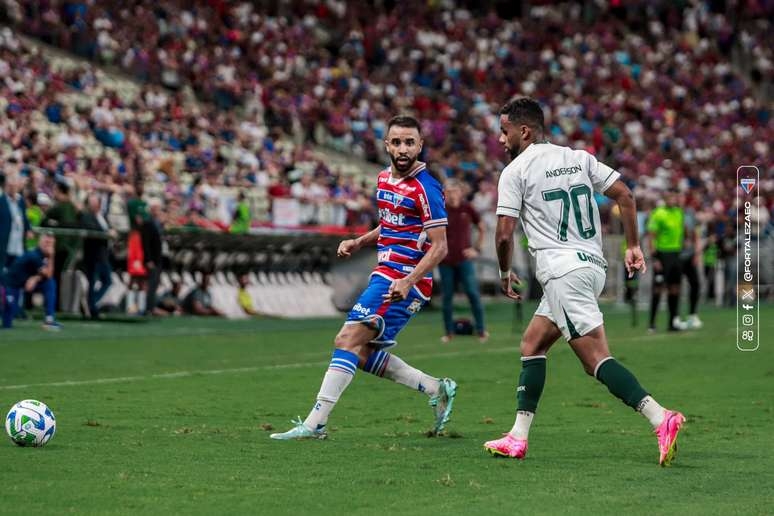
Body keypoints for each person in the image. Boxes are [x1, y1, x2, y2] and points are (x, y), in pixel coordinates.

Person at [483, 98, 684, 466]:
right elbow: (624, 193)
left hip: (562, 274)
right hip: (591, 266)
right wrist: (633, 245)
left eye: (504, 130)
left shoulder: (515, 171)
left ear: (523, 131)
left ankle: (661, 417)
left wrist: (503, 271)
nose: (500, 139)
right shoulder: (578, 157)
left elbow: (503, 234)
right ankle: (517, 436)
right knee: (532, 344)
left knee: (595, 361)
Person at [271, 115, 457, 440]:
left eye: (409, 142)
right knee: (358, 351)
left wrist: (409, 281)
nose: (402, 148)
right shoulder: (384, 179)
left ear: (420, 145)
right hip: (385, 274)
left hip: (402, 280)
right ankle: (435, 388)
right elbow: (391, 225)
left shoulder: (427, 188)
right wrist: (358, 241)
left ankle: (315, 425)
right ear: (386, 145)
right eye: (396, 142)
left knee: (346, 340)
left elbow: (440, 247)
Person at [439, 179, 488, 343]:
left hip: (464, 259)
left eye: (455, 190)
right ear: (444, 193)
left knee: (473, 294)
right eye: (448, 191)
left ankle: (481, 330)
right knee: (447, 297)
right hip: (445, 260)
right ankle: (449, 332)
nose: (452, 194)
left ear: (460, 192)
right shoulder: (440, 210)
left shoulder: (467, 208)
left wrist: (476, 249)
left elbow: (481, 227)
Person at [646, 189, 688, 332]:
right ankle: (652, 324)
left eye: (674, 197)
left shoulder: (679, 213)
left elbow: (683, 233)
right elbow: (651, 237)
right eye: (670, 197)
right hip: (662, 255)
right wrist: (655, 258)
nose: (673, 199)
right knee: (658, 289)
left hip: (676, 254)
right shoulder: (658, 213)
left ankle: (672, 322)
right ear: (665, 198)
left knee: (675, 288)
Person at [1, 233, 62, 330]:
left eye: (51, 243)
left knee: (50, 283)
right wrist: (52, 256)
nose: (48, 245)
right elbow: (48, 273)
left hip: (24, 284)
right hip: (10, 285)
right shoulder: (34, 255)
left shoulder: (43, 256)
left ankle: (49, 320)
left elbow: (47, 275)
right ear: (39, 242)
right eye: (46, 242)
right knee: (7, 321)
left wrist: (35, 278)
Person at [79, 193, 114, 319]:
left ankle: (91, 303)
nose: (93, 205)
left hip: (103, 255)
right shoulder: (86, 216)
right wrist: (106, 233)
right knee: (93, 281)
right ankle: (91, 307)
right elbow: (91, 229)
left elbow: (109, 229)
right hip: (93, 255)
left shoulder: (102, 216)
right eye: (91, 203)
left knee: (107, 281)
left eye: (95, 202)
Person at [678, 195, 703, 329]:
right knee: (675, 286)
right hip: (676, 254)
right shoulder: (673, 213)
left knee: (695, 284)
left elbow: (695, 234)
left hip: (689, 254)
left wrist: (697, 253)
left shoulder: (689, 213)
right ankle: (676, 316)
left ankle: (693, 314)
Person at [143, 199, 164, 316]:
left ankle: (151, 307)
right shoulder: (148, 223)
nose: (158, 211)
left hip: (158, 258)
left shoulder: (158, 223)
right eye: (155, 209)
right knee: (151, 284)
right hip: (152, 259)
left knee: (155, 284)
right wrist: (148, 259)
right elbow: (145, 244)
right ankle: (148, 308)